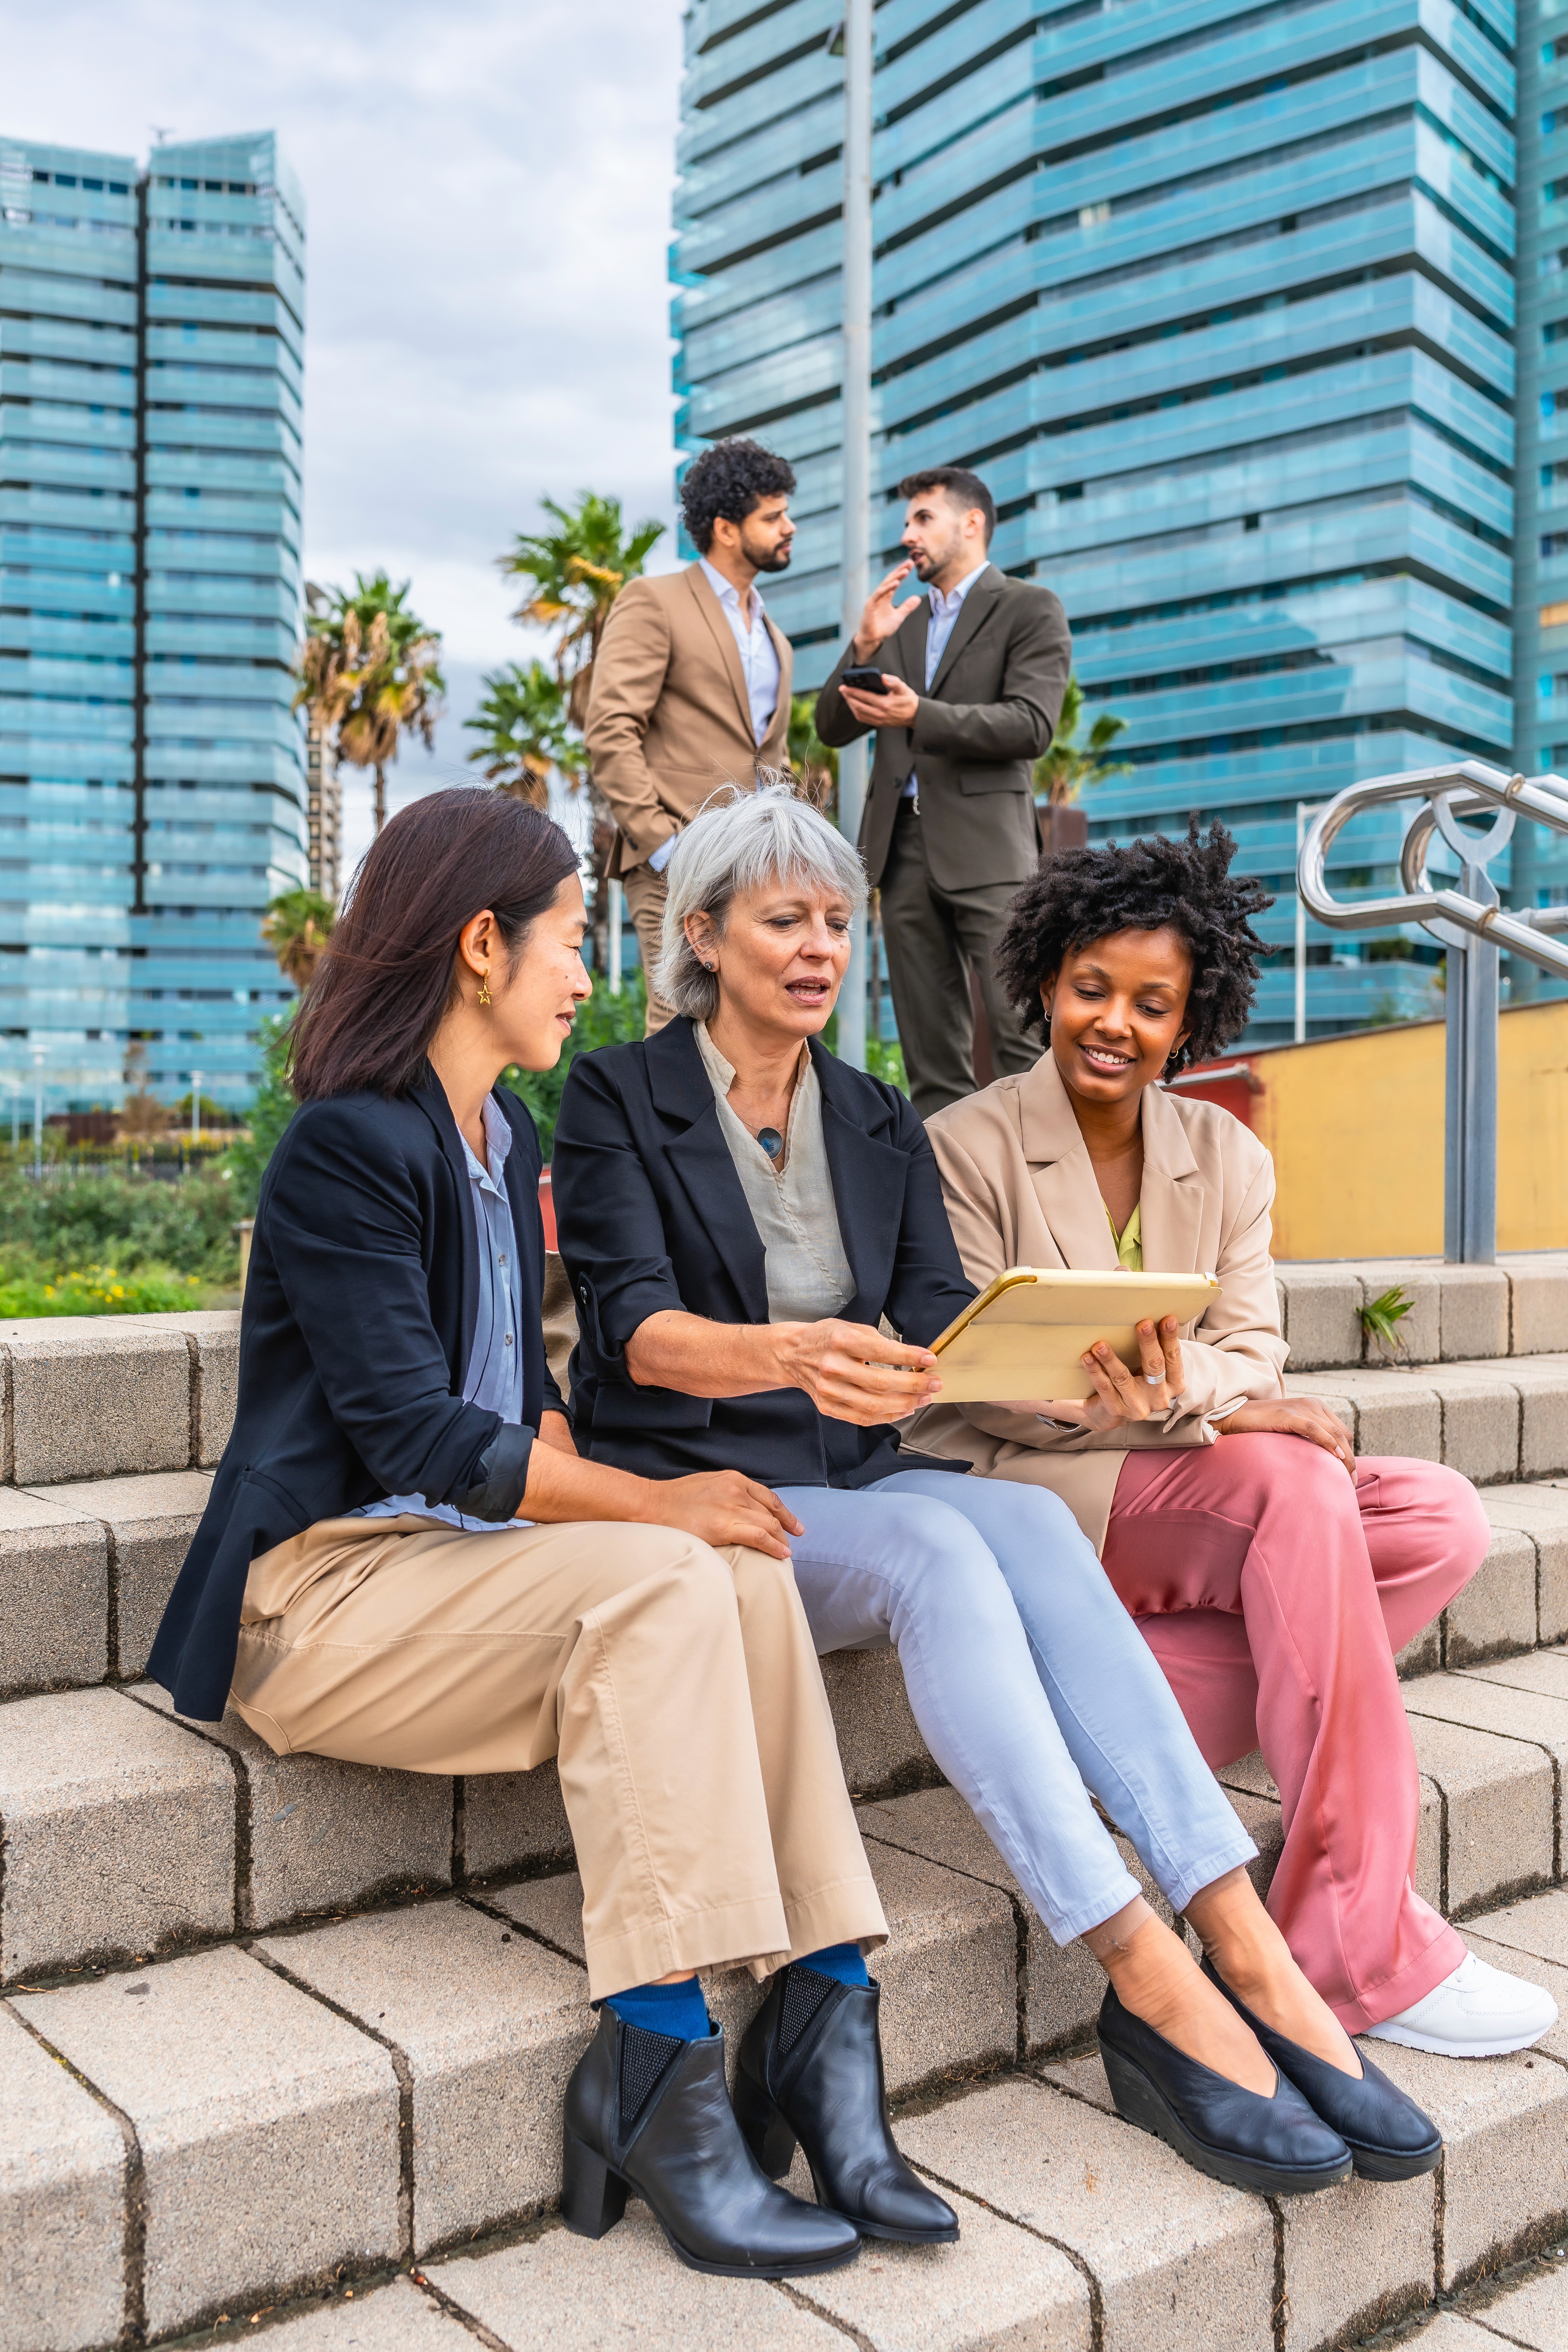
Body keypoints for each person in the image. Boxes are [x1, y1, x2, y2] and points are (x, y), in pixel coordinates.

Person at [552, 784, 1442, 2195]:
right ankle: (1143, 1971)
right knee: (939, 1553)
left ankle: (1251, 1950)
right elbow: (630, 1331)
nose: (819, 948)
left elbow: (938, 1338)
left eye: (838, 923)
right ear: (707, 934)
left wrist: (1092, 1386)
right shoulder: (616, 1094)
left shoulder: (873, 1116)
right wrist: (795, 1353)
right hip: (701, 1490)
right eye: (785, 920)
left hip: (859, 1471)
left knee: (1024, 1515)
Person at [145, 787, 947, 2281]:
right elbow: (427, 1442)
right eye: (571, 939)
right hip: (319, 1598)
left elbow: (521, 1400)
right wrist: (656, 1502)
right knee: (668, 1564)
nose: (590, 975)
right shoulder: (345, 1149)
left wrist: (660, 1503)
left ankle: (824, 2012)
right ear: (476, 946)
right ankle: (651, 2058)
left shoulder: (504, 1138)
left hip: (453, 1578)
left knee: (738, 1558)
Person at [905, 820, 1558, 2061]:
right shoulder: (965, 1144)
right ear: (1046, 980)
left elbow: (1255, 1347)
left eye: (1152, 1003)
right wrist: (1197, 1404)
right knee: (1292, 1483)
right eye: (1091, 987)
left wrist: (1193, 1392)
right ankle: (1349, 1944)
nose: (1115, 1021)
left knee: (1437, 1514)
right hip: (1031, 1476)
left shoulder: (1228, 1154)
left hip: (1173, 1462)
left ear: (1190, 1016)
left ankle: (1113, 1725)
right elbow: (979, 1373)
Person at [813, 464, 1070, 1118]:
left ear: (971, 523)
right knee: (929, 1055)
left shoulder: (1027, 607)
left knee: (1022, 1037)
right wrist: (863, 644)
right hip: (900, 855)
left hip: (988, 856)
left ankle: (1041, 1193)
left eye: (922, 519)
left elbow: (1031, 725)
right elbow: (830, 725)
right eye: (905, 522)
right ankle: (948, 1205)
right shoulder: (899, 623)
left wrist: (917, 715)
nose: (908, 535)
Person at [586, 437, 797, 1033]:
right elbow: (611, 729)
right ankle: (656, 1133)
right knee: (681, 1017)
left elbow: (769, 757)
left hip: (751, 864)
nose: (790, 527)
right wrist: (665, 846)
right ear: (727, 529)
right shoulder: (655, 601)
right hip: (673, 858)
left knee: (749, 1023)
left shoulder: (774, 636)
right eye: (774, 517)